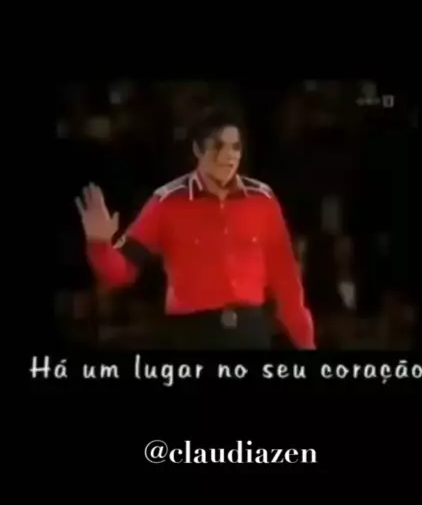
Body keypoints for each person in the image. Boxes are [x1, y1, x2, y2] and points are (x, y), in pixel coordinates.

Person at [75, 107, 316, 350]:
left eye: (235, 147)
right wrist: (99, 244)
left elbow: (287, 282)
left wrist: (306, 343)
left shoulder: (262, 200)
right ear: (198, 150)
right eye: (218, 146)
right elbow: (121, 273)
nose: (228, 156)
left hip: (251, 331)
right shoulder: (166, 202)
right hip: (193, 333)